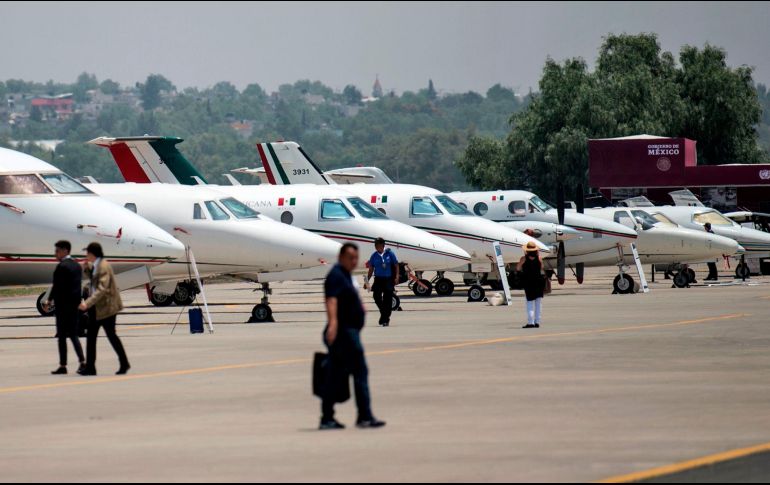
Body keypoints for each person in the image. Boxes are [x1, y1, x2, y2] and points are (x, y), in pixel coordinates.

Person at [320, 242, 385, 430]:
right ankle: (364, 416)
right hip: (343, 333)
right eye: (350, 257)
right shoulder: (336, 275)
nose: (354, 261)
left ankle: (327, 417)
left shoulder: (346, 275)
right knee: (360, 372)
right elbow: (331, 300)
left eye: (356, 258)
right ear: (341, 257)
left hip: (348, 331)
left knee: (335, 375)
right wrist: (333, 324)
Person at [78, 242, 130, 376]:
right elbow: (93, 280)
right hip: (97, 308)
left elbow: (102, 288)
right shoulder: (96, 266)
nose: (86, 255)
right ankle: (90, 368)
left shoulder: (103, 266)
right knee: (91, 336)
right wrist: (86, 269)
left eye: (87, 252)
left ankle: (124, 363)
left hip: (107, 308)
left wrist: (87, 303)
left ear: (93, 253)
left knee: (111, 336)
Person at [45, 240, 86, 375]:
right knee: (73, 335)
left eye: (57, 251)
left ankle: (63, 365)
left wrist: (49, 300)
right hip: (74, 306)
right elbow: (77, 287)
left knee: (62, 336)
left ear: (65, 251)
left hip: (63, 306)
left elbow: (56, 286)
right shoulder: (76, 266)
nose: (55, 254)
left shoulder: (62, 267)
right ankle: (82, 362)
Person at [364, 237, 399, 327]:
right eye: (375, 245)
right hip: (378, 279)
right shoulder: (374, 256)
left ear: (383, 245)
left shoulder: (390, 253)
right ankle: (384, 314)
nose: (376, 247)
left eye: (378, 245)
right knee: (376, 297)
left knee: (387, 300)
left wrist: (397, 276)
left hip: (388, 279)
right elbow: (371, 269)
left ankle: (385, 319)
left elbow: (396, 265)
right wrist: (367, 281)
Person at [516, 241, 546, 329]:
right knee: (538, 303)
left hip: (528, 282)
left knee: (529, 302)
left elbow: (518, 268)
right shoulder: (539, 258)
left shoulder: (523, 259)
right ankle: (537, 321)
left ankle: (530, 322)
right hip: (538, 281)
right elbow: (542, 268)